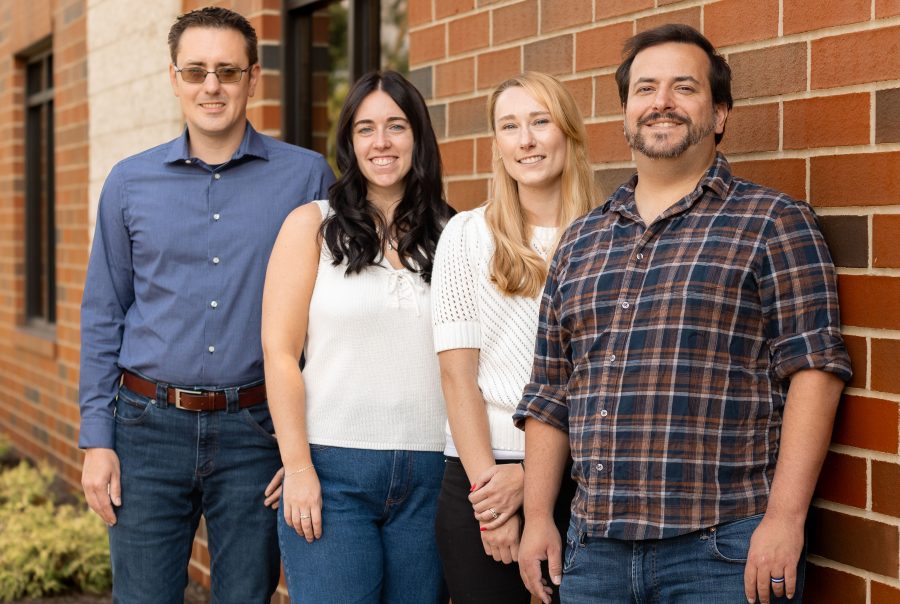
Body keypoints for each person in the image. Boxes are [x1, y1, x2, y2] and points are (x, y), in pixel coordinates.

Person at [514, 24, 851, 604]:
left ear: (719, 114)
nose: (661, 102)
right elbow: (551, 390)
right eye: (645, 89)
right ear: (625, 113)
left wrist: (785, 519)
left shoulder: (773, 222)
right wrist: (540, 515)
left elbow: (814, 372)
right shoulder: (581, 239)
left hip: (723, 551)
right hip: (593, 553)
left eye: (683, 87)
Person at [78, 7, 333, 603]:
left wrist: (302, 449)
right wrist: (97, 440)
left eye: (226, 70)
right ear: (174, 79)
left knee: (248, 596)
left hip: (256, 432)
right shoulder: (128, 182)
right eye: (195, 72)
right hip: (144, 429)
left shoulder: (307, 178)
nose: (210, 86)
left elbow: (329, 321)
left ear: (253, 77)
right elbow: (103, 313)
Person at [261, 70, 453, 604]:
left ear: (418, 137)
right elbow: (279, 354)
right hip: (333, 474)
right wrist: (298, 466)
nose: (381, 142)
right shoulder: (311, 226)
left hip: (433, 474)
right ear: (349, 141)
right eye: (366, 129)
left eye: (396, 126)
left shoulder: (457, 234)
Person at [431, 72, 595, 604]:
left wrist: (533, 477)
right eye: (510, 126)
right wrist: (491, 497)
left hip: (587, 478)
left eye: (540, 121)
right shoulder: (466, 235)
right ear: (498, 146)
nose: (526, 139)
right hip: (484, 475)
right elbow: (457, 379)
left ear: (567, 132)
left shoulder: (610, 236)